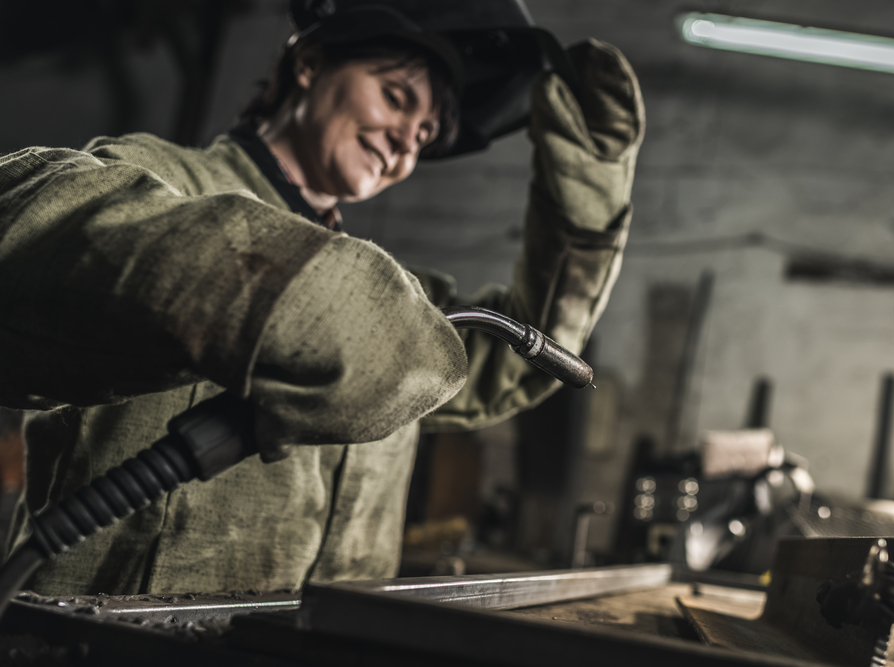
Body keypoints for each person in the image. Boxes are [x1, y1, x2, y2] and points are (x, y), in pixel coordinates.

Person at [0, 0, 645, 595]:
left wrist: (584, 192)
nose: (403, 142)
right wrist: (268, 290)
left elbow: (517, 356)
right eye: (395, 98)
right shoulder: (166, 182)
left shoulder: (401, 307)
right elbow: (27, 230)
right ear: (308, 62)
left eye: (423, 136)